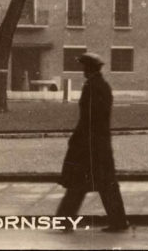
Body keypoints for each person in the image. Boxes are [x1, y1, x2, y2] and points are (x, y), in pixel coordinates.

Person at [56, 52, 129, 233]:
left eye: (84, 67)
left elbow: (88, 118)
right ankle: (118, 221)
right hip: (99, 143)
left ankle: (64, 221)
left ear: (89, 69)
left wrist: (76, 139)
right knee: (104, 184)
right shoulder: (101, 85)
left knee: (79, 184)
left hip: (89, 144)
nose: (83, 71)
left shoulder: (92, 87)